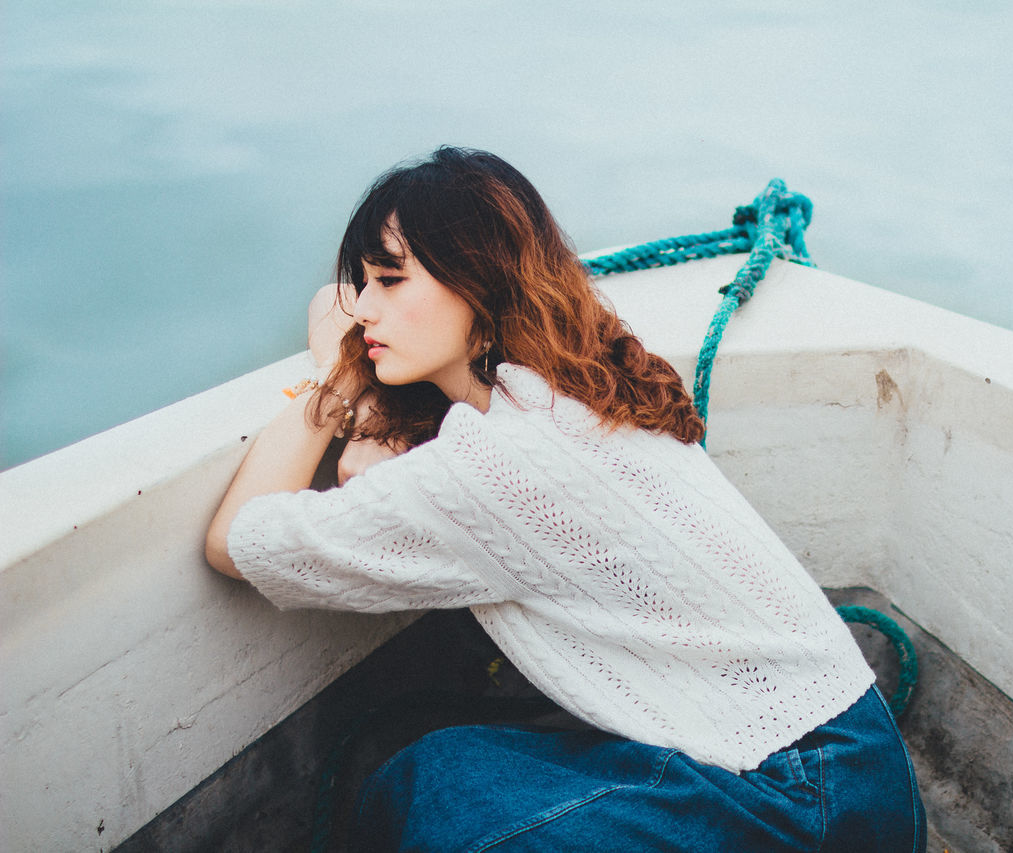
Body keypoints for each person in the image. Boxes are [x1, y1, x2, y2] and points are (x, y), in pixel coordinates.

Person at [205, 146, 925, 851]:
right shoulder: (567, 387)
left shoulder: (499, 462)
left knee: (456, 822)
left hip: (809, 802)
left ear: (477, 282)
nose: (362, 308)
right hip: (853, 765)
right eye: (363, 282)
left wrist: (335, 387)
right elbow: (330, 304)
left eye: (390, 281)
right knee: (433, 773)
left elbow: (237, 539)